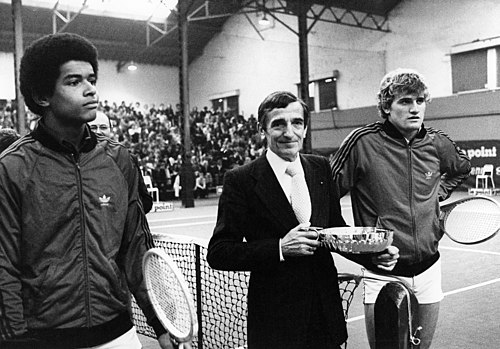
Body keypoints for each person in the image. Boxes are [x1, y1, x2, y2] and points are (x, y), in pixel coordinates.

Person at [0, 32, 176, 349]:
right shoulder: (10, 168)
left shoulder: (120, 160)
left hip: (118, 333)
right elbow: (4, 264)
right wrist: (16, 339)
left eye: (92, 78)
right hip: (43, 338)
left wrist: (161, 321)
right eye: (74, 81)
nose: (90, 88)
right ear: (42, 96)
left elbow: (137, 249)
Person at [207, 91, 398, 349]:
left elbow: (334, 230)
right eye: (278, 124)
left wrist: (372, 254)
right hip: (275, 320)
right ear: (262, 129)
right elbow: (219, 252)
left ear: (305, 128)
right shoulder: (240, 180)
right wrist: (279, 249)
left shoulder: (320, 167)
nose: (289, 132)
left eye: (296, 123)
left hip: (325, 312)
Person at [331, 68, 471, 349]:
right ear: (386, 106)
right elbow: (326, 196)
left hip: (429, 268)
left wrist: (436, 195)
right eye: (405, 101)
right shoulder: (362, 143)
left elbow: (462, 167)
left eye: (420, 101)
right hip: (383, 272)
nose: (415, 108)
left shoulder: (437, 142)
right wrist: (361, 247)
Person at [89, 110, 154, 213]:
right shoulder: (77, 161)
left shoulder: (127, 159)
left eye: (103, 127)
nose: (98, 132)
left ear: (110, 130)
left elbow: (144, 200)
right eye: (93, 128)